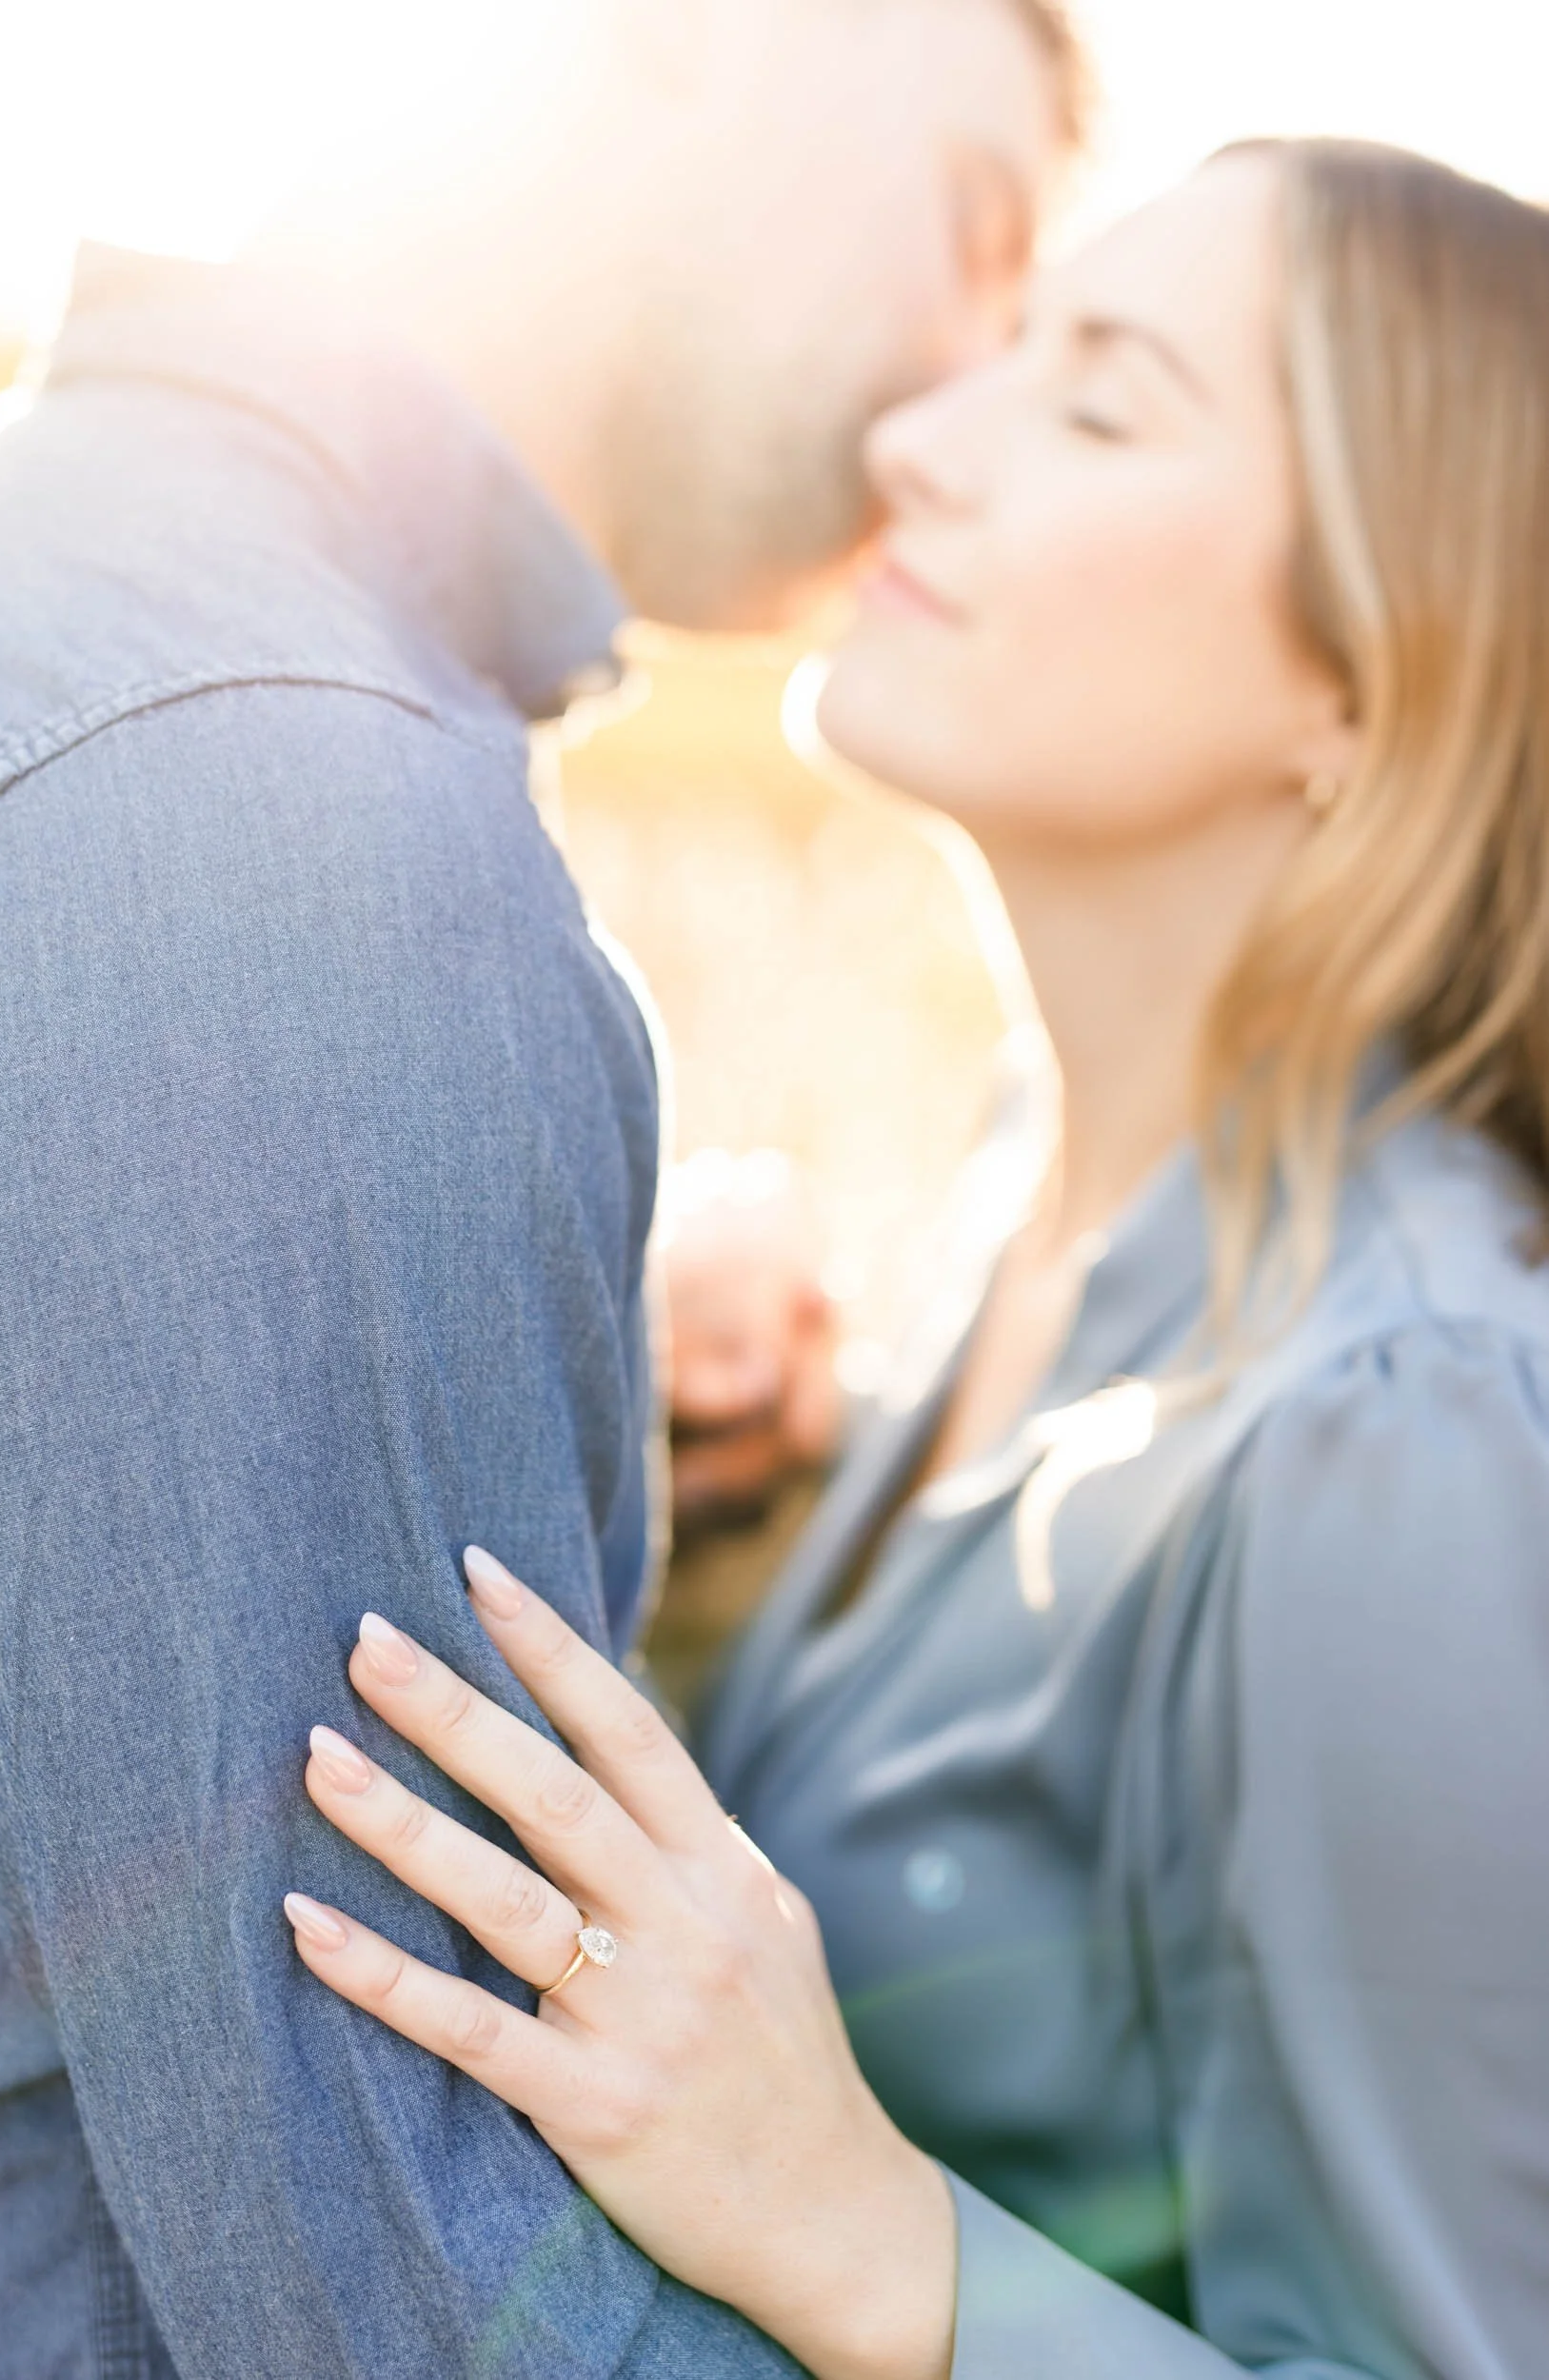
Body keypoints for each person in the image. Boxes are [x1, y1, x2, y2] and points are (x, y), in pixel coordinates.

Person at [285, 141, 1549, 2378]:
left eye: (1098, 399)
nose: (913, 440)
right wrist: (738, 1518)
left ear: (1372, 670)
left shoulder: (1402, 1437)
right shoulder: (1038, 1185)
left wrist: (876, 2237)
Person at [0, 3, 1083, 2373]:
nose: (963, 381)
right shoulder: (295, 816)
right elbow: (440, 2304)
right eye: (978, 231)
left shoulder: (87, 589)